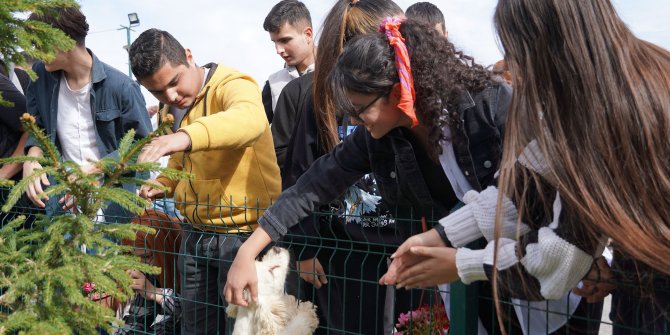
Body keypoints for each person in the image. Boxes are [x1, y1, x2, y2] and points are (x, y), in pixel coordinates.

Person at [225, 15, 512, 334]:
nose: (354, 120)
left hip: (518, 270)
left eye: (360, 108)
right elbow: (313, 184)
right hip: (453, 278)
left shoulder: (489, 104)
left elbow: (522, 195)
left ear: (396, 90)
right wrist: (248, 251)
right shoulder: (377, 138)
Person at [129, 28, 281, 334]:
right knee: (195, 327)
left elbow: (249, 120)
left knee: (244, 327)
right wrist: (165, 182)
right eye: (158, 92)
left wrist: (183, 137)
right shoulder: (171, 107)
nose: (170, 96)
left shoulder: (234, 84)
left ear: (188, 56)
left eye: (174, 82)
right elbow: (180, 159)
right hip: (194, 235)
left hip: (242, 236)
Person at [22, 6, 151, 221]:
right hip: (60, 202)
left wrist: (94, 170)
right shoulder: (39, 76)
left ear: (63, 41)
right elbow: (37, 127)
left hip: (111, 204)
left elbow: (143, 147)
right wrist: (31, 159)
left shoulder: (122, 87)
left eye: (38, 44)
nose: (34, 52)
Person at [262, 0, 316, 167]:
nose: (279, 50)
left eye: (285, 40)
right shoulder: (273, 84)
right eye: (275, 42)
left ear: (308, 34)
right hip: (290, 184)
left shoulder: (340, 72)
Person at [115, 210, 182, 335]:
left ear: (164, 248)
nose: (142, 265)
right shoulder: (149, 268)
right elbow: (138, 319)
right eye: (135, 257)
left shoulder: (189, 261)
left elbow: (193, 310)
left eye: (146, 256)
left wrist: (154, 292)